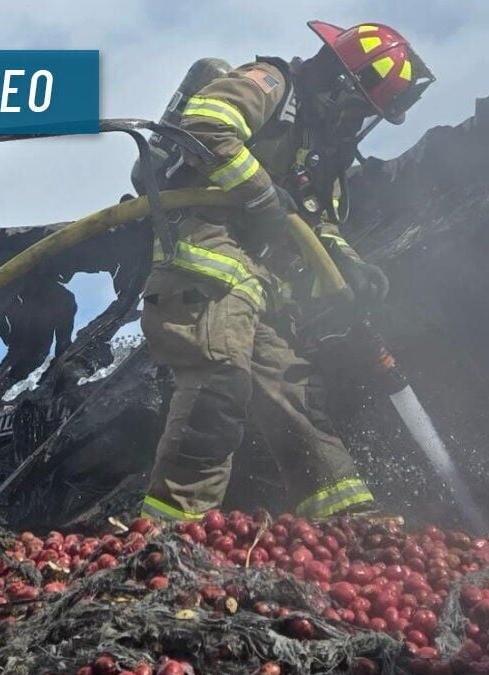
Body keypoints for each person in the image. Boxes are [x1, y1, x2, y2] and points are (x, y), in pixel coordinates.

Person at [140, 22, 434, 522]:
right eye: (361, 107)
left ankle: (348, 524)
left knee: (295, 395)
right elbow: (205, 124)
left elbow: (316, 220)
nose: (358, 121)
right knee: (219, 384)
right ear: (341, 86)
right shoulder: (271, 84)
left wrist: (348, 263)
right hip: (205, 259)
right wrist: (259, 191)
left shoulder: (320, 146)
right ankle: (166, 536)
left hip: (257, 285)